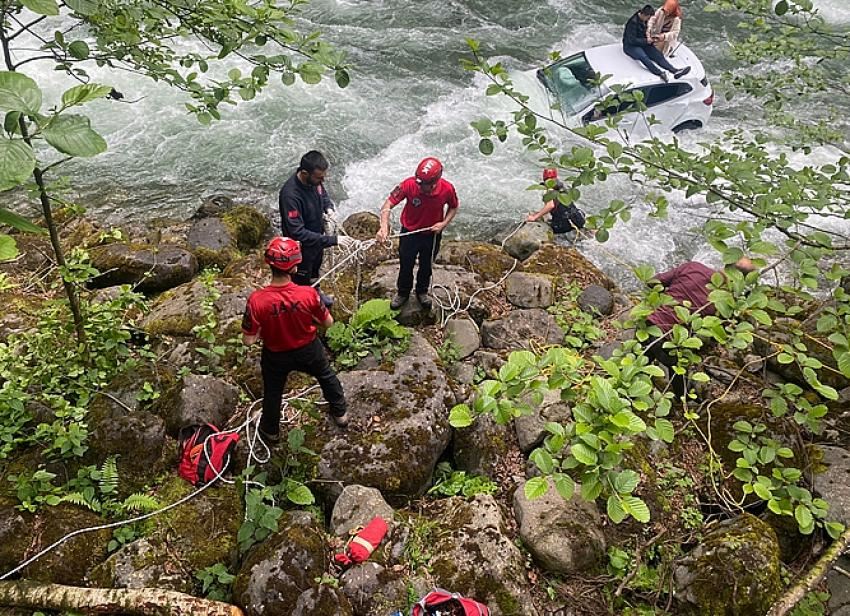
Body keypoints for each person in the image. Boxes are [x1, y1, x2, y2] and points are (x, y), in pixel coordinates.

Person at [242, 237, 349, 443]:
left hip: (275, 354)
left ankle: (271, 430)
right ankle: (340, 413)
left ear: (269, 265)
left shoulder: (257, 300)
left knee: (273, 392)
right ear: (294, 267)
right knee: (326, 376)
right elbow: (328, 323)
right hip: (308, 348)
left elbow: (249, 340)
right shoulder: (308, 294)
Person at [645, 258, 756, 397]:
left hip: (649, 324)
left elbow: (652, 282)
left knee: (637, 363)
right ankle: (681, 402)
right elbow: (717, 334)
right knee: (678, 372)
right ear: (740, 281)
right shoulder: (725, 303)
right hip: (671, 342)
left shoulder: (693, 267)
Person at [376, 157, 459, 311]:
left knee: (426, 266)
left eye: (424, 185)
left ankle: (422, 291)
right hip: (409, 234)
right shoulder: (409, 184)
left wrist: (443, 224)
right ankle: (403, 292)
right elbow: (388, 204)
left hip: (431, 235)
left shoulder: (447, 189)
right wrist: (383, 227)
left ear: (434, 183)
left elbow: (453, 207)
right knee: (406, 265)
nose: (419, 187)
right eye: (418, 182)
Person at [279, 150, 356, 307]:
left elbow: (323, 195)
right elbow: (297, 232)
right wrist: (333, 240)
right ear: (305, 173)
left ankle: (316, 292)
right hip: (300, 249)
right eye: (319, 177)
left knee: (315, 269)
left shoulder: (315, 182)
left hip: (316, 240)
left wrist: (329, 208)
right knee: (302, 278)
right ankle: (303, 307)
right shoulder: (290, 196)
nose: (323, 180)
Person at [623, 4, 690, 83]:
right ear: (644, 15)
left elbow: (647, 29)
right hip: (630, 46)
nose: (649, 19)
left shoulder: (644, 20)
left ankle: (674, 70)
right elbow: (631, 40)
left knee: (657, 55)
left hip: (643, 42)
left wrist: (651, 38)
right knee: (643, 57)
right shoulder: (632, 22)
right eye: (648, 17)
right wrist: (646, 41)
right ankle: (660, 73)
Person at [526, 168, 586, 236]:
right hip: (578, 219)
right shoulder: (563, 187)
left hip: (564, 225)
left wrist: (534, 217)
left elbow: (550, 206)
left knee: (546, 229)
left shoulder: (549, 190)